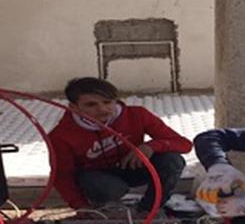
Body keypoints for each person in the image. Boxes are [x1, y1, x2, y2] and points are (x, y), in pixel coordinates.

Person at [49, 77, 192, 214]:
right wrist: (80, 206)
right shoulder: (61, 135)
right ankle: (102, 209)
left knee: (172, 160)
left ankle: (150, 209)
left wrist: (150, 147)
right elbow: (62, 175)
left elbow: (184, 144)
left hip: (132, 167)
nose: (102, 109)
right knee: (104, 187)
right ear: (74, 107)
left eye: (107, 102)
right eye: (91, 105)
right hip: (97, 177)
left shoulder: (137, 115)